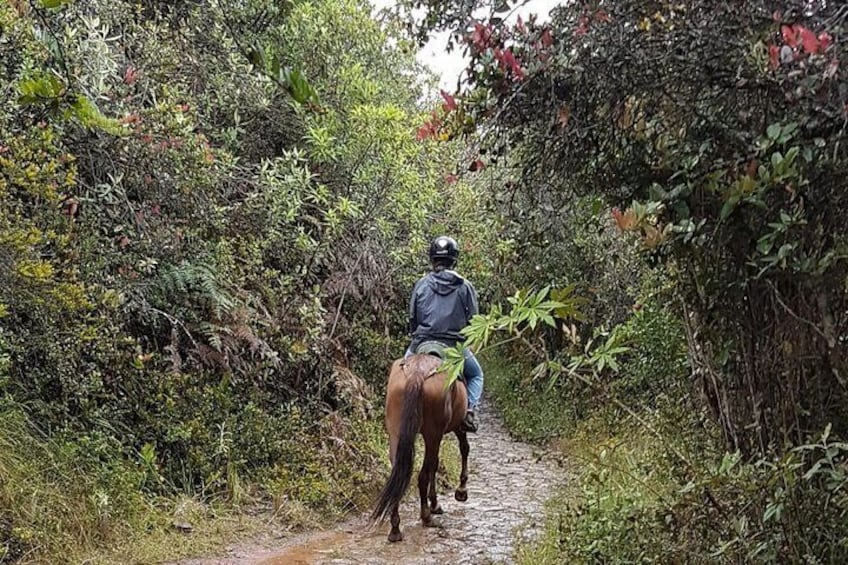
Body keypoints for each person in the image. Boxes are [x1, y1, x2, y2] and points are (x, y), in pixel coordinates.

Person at [405, 235, 484, 432]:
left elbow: (412, 317)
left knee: (400, 370)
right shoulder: (465, 286)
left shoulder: (421, 284)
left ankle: (394, 410)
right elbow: (474, 320)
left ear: (432, 259)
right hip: (454, 347)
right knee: (476, 375)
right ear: (454, 260)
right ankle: (469, 411)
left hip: (421, 343)